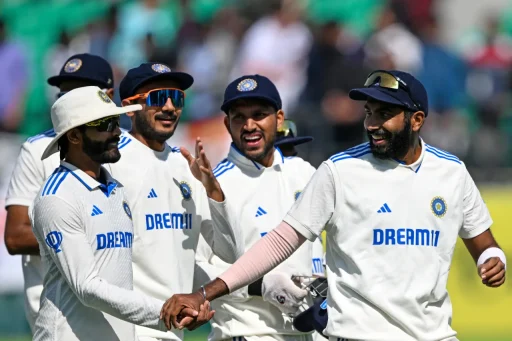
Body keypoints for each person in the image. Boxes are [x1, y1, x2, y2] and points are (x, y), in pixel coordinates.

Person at [161, 70, 507, 341]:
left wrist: (493, 259)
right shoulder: (338, 170)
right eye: (369, 112)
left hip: (435, 336)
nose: (371, 123)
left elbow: (484, 243)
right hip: (359, 337)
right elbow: (279, 243)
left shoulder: (452, 172)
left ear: (416, 120)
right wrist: (203, 293)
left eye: (384, 114)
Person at [29, 86, 194, 341]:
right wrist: (163, 313)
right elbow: (88, 287)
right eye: (104, 125)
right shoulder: (56, 198)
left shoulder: (115, 189)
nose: (117, 132)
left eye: (115, 122)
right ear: (73, 136)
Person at [106, 62, 244, 341]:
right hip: (123, 331)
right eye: (158, 98)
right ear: (130, 107)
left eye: (177, 98)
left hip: (172, 331)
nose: (170, 107)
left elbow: (230, 252)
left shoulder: (187, 165)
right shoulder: (109, 163)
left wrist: (212, 189)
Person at [193, 74, 324, 341]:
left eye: (259, 115)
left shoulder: (304, 173)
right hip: (247, 333)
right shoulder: (215, 186)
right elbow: (195, 271)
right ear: (227, 124)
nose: (249, 125)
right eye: (239, 117)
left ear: (278, 118)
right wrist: (260, 286)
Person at [4, 53, 115, 331]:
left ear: (109, 96)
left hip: (115, 316)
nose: (67, 101)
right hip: (56, 316)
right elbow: (16, 236)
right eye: (63, 94)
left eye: (79, 93)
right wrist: (84, 237)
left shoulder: (121, 150)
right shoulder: (37, 150)